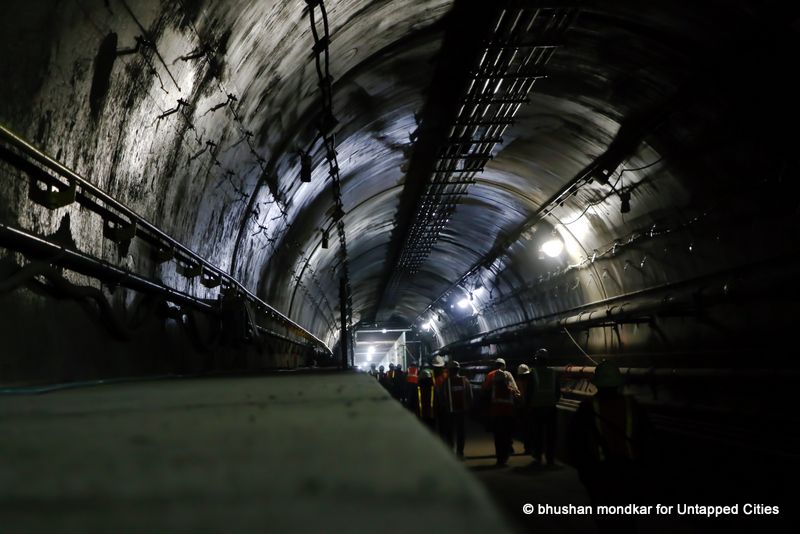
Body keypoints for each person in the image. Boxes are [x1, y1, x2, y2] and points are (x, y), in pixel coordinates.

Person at [567, 360, 652, 534]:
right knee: (627, 520)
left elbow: (576, 443)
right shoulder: (633, 405)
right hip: (629, 470)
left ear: (597, 384)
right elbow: (648, 439)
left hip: (600, 473)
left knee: (606, 521)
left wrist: (585, 475)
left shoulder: (587, 408)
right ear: (618, 384)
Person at [481, 357, 521, 466]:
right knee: (507, 435)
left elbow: (484, 391)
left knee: (498, 437)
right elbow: (517, 393)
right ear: (504, 365)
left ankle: (500, 458)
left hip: (495, 414)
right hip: (508, 414)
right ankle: (506, 454)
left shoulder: (490, 376)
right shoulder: (507, 376)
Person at [529, 349, 561, 466]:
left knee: (538, 434)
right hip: (551, 407)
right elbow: (558, 391)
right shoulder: (553, 373)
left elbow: (529, 391)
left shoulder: (533, 373)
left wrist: (529, 405)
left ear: (537, 360)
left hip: (537, 408)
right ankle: (550, 458)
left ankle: (538, 456)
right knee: (551, 435)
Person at [441, 360, 472, 458]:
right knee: (461, 432)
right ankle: (460, 452)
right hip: (462, 411)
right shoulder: (465, 381)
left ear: (449, 370)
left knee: (449, 432)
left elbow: (442, 396)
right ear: (458, 370)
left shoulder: (445, 382)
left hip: (449, 411)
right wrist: (469, 407)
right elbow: (470, 396)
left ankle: (450, 452)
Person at [515, 363, 533, 454]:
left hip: (523, 407)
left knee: (526, 428)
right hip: (527, 407)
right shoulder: (530, 382)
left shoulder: (517, 382)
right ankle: (529, 447)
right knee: (528, 428)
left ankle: (528, 447)